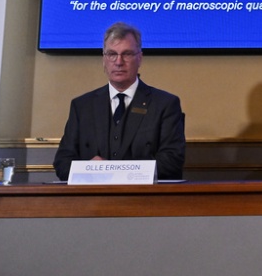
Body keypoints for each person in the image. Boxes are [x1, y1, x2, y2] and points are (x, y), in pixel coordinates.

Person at [53, 22, 186, 180]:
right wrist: (89, 168)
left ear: (140, 59)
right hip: (93, 194)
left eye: (127, 54)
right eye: (112, 54)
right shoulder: (82, 106)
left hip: (143, 194)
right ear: (104, 60)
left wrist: (117, 172)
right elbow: (62, 163)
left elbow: (172, 162)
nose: (118, 62)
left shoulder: (165, 104)